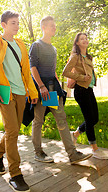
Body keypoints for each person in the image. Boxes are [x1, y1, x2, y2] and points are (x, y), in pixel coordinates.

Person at [0, 10, 38, 192]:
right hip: (5, 93)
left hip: (21, 93)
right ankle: (15, 174)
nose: (17, 25)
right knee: (13, 130)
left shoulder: (21, 45)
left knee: (12, 130)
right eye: (13, 22)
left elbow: (26, 72)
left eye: (17, 22)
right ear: (4, 24)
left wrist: (31, 92)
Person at [29, 16, 92, 164]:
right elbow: (33, 68)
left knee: (61, 119)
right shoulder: (36, 45)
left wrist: (56, 83)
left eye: (54, 26)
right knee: (38, 121)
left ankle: (72, 154)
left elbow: (52, 70)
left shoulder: (53, 48)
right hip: (41, 89)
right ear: (43, 27)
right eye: (51, 26)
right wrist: (41, 86)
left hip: (52, 90)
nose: (54, 28)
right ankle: (38, 152)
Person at [62, 32, 108, 160]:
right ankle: (95, 149)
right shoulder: (75, 56)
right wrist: (81, 77)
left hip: (89, 89)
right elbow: (65, 72)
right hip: (81, 90)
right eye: (81, 39)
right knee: (90, 119)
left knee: (94, 118)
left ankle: (76, 134)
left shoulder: (88, 57)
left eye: (86, 38)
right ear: (77, 42)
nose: (85, 40)